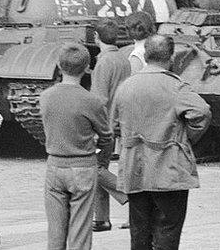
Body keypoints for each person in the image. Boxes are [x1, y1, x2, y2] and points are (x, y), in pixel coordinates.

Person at [111, 34, 211, 250]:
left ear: (145, 55)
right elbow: (202, 112)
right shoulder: (175, 86)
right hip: (168, 169)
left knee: (139, 233)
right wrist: (186, 138)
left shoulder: (126, 86)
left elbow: (114, 125)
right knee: (167, 231)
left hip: (134, 169)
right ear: (172, 57)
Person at [39, 43, 113, 250]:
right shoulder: (92, 101)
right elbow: (106, 137)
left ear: (58, 66)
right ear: (88, 67)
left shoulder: (46, 97)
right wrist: (100, 160)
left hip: (55, 165)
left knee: (55, 233)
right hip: (83, 166)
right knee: (80, 232)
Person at [89, 20, 131, 231]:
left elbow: (98, 100)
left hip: (103, 123)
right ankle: (101, 218)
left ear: (96, 37)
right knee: (100, 167)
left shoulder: (104, 62)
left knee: (93, 168)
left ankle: (130, 194)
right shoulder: (123, 59)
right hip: (117, 122)